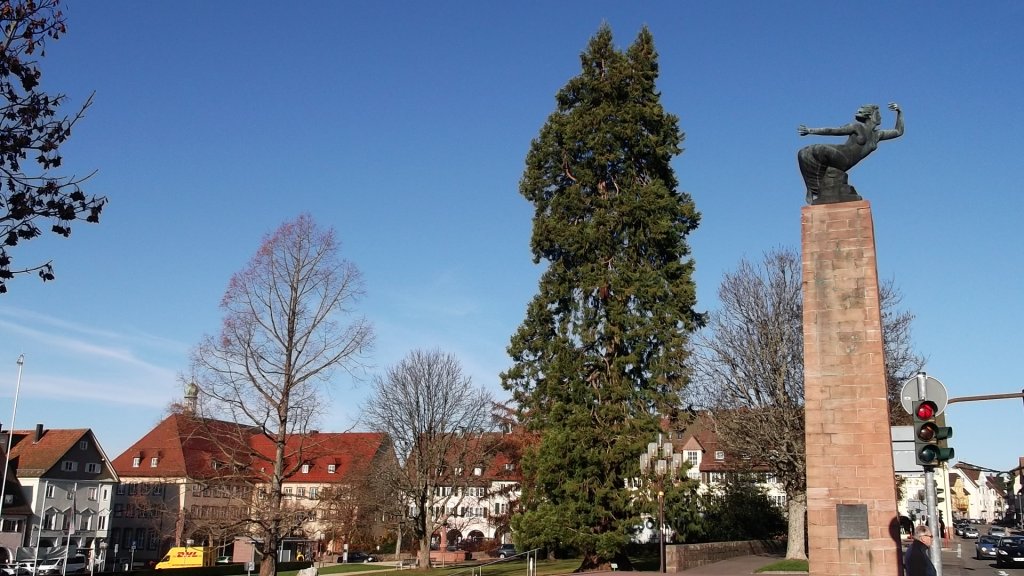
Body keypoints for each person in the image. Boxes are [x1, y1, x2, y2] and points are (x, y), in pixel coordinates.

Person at [797, 102, 904, 204]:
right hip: (842, 155)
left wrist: (899, 112)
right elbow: (834, 131)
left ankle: (816, 186)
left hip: (846, 163)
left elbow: (898, 131)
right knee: (806, 152)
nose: (880, 116)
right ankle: (811, 189)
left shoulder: (877, 135)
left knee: (812, 151)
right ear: (870, 115)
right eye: (878, 114)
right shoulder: (857, 127)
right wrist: (810, 130)